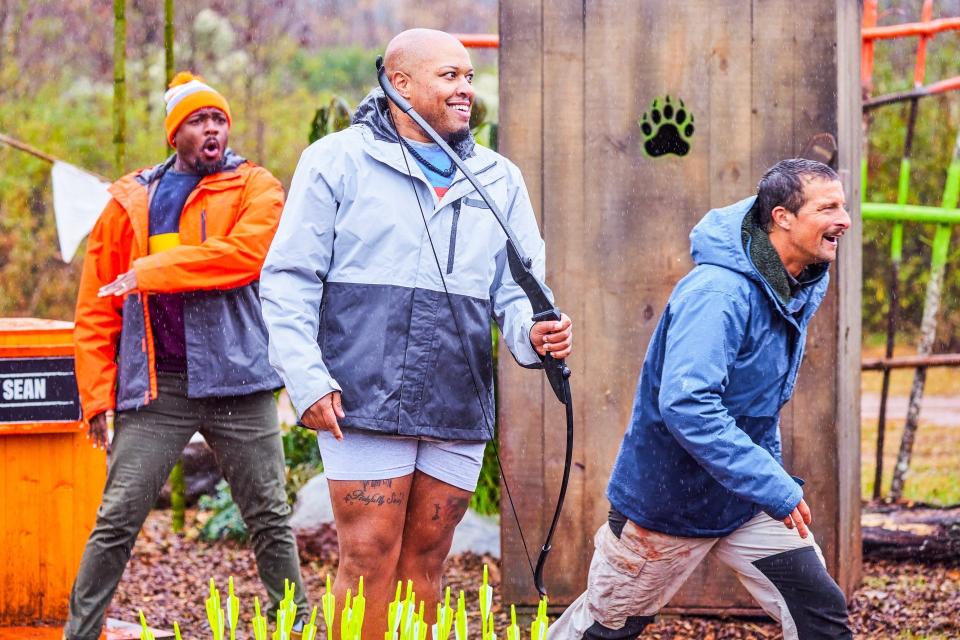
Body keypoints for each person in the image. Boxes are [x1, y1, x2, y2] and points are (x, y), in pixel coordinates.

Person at [259, 28, 573, 639]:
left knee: (429, 555)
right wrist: (306, 379)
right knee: (370, 550)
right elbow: (288, 278)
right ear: (398, 82)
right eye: (449, 76)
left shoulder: (499, 178)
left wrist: (536, 335)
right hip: (360, 390)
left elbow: (518, 290)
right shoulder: (336, 159)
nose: (465, 89)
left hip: (456, 391)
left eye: (469, 77)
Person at [549, 159, 853, 640]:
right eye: (829, 207)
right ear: (782, 217)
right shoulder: (719, 294)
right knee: (608, 630)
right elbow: (688, 405)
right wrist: (774, 484)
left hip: (743, 500)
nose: (845, 220)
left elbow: (758, 405)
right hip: (668, 505)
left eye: (844, 205)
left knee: (820, 612)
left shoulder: (794, 286)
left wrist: (765, 482)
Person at [66, 72, 308, 640]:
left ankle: (290, 629)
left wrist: (148, 272)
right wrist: (96, 396)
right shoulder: (131, 200)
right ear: (175, 134)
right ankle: (79, 633)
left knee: (269, 517)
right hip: (159, 388)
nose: (212, 129)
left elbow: (244, 257)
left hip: (240, 382)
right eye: (199, 121)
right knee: (117, 518)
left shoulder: (257, 187)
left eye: (219, 119)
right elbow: (96, 306)